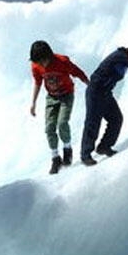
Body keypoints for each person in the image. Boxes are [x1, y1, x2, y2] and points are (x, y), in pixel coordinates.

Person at [29, 40, 89, 174]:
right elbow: (38, 83)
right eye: (38, 62)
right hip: (51, 97)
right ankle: (55, 158)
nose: (41, 64)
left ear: (49, 56)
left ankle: (67, 149)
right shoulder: (35, 66)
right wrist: (33, 103)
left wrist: (88, 84)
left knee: (62, 123)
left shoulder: (62, 61)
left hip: (66, 95)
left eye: (43, 61)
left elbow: (77, 72)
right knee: (49, 128)